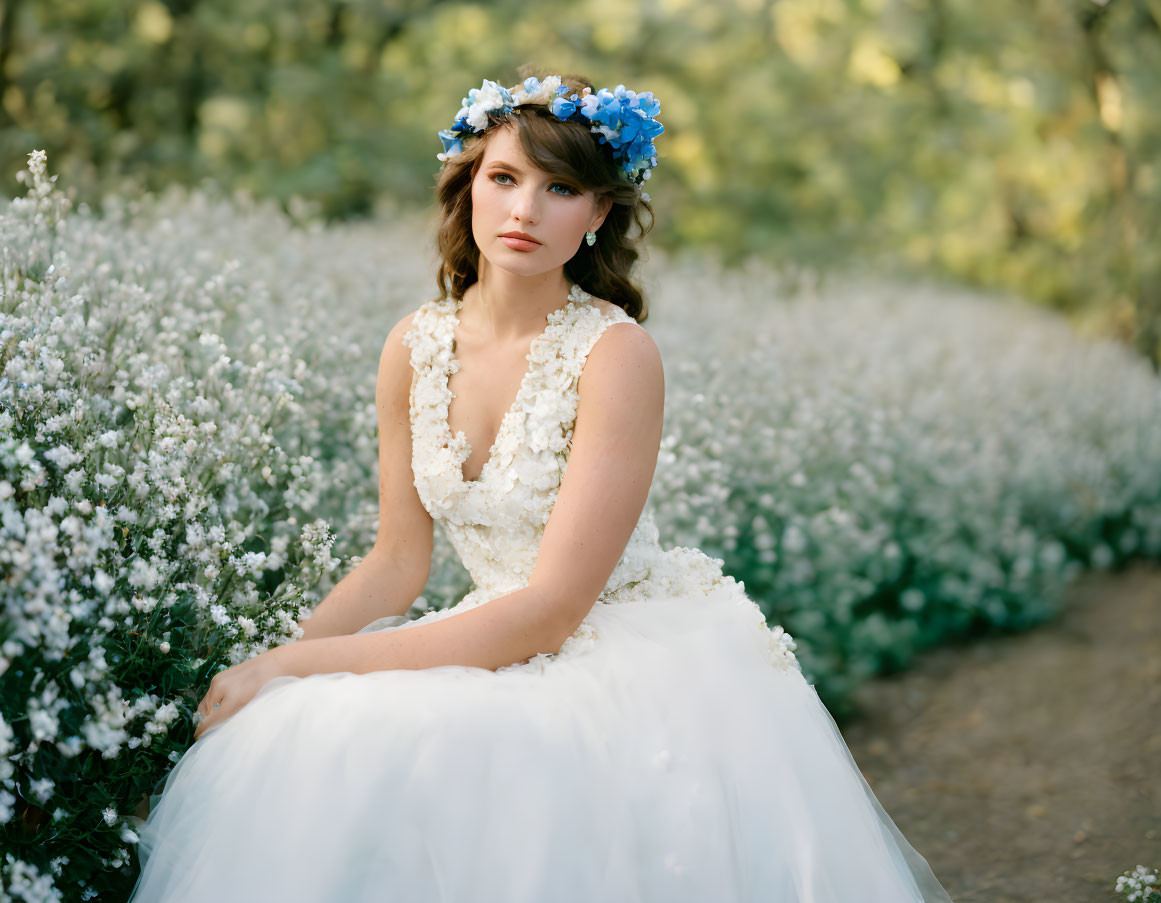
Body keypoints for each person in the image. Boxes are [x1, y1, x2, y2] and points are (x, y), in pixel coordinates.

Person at [128, 69, 956, 902]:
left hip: (616, 644)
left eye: (560, 188)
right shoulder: (412, 346)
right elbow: (395, 563)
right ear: (469, 189)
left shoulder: (615, 353)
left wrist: (303, 666)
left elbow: (553, 607)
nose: (525, 210)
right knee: (296, 728)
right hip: (496, 627)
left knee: (385, 726)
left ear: (598, 214)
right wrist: (279, 661)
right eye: (504, 178)